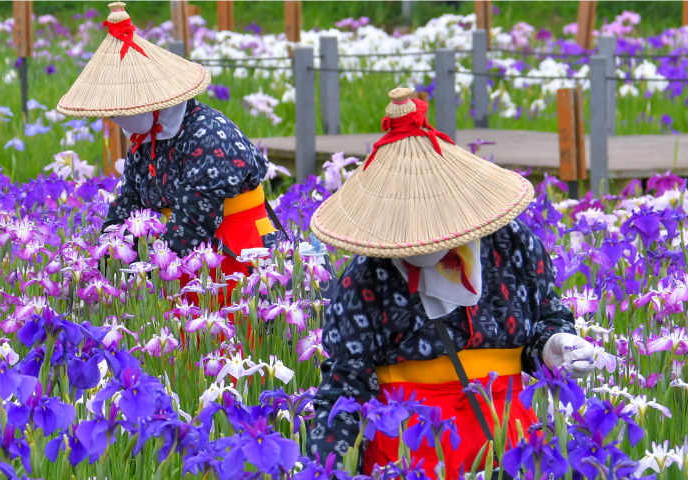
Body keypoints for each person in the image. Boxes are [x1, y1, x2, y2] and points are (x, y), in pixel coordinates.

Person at [305, 88, 602, 478]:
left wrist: (552, 345)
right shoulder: (365, 277)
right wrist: (323, 468)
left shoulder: (513, 244)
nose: (420, 237)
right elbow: (344, 388)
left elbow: (545, 320)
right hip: (410, 451)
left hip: (507, 441)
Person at [59, 2, 286, 319]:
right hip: (175, 254)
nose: (116, 118)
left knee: (229, 338)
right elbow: (129, 203)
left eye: (122, 109)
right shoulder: (146, 139)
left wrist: (139, 275)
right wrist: (103, 259)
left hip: (235, 252)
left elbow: (194, 223)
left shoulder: (209, 135)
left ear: (154, 101)